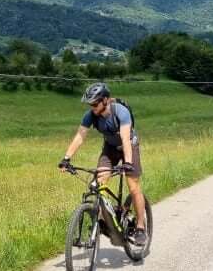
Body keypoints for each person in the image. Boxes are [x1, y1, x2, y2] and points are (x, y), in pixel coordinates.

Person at [59, 82, 147, 246]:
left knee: (133, 186)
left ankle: (141, 228)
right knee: (98, 184)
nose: (92, 107)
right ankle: (105, 222)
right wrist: (66, 158)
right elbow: (80, 137)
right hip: (110, 148)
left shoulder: (120, 112)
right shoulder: (90, 116)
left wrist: (127, 163)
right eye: (90, 104)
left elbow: (125, 139)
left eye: (94, 103)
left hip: (128, 145)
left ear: (105, 100)